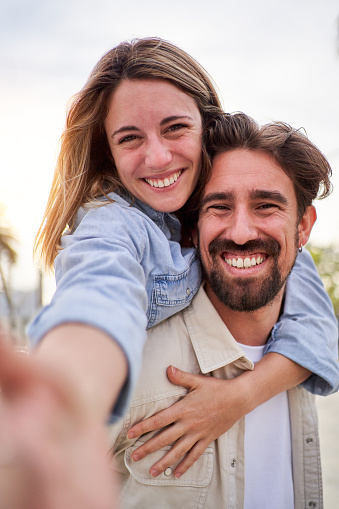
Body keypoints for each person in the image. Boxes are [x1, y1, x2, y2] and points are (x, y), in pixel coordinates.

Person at [0, 37, 335, 504]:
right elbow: (98, 292)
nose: (157, 158)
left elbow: (319, 327)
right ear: (110, 152)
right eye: (130, 138)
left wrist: (239, 397)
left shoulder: (252, 224)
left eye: (175, 127)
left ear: (207, 128)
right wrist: (67, 396)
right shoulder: (114, 224)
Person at [108, 112, 334, 509]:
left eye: (266, 206)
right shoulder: (127, 366)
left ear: (303, 228)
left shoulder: (304, 355)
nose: (242, 232)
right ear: (191, 228)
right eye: (219, 207)